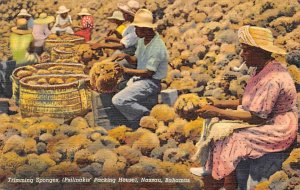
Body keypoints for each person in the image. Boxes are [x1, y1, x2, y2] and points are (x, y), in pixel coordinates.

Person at [190, 26, 298, 189]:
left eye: (246, 50)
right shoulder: (261, 69)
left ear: (259, 51)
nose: (242, 54)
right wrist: (218, 104)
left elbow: (258, 116)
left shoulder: (273, 78)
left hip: (278, 126)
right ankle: (214, 169)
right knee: (217, 124)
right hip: (267, 118)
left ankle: (228, 182)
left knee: (233, 137)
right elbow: (250, 101)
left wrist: (218, 111)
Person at [111, 9, 169, 129]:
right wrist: (126, 56)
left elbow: (149, 72)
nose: (135, 31)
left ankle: (147, 117)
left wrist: (126, 71)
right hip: (140, 79)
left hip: (151, 82)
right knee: (115, 87)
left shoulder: (157, 47)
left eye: (137, 28)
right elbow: (136, 59)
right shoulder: (142, 41)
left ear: (146, 29)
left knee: (118, 100)